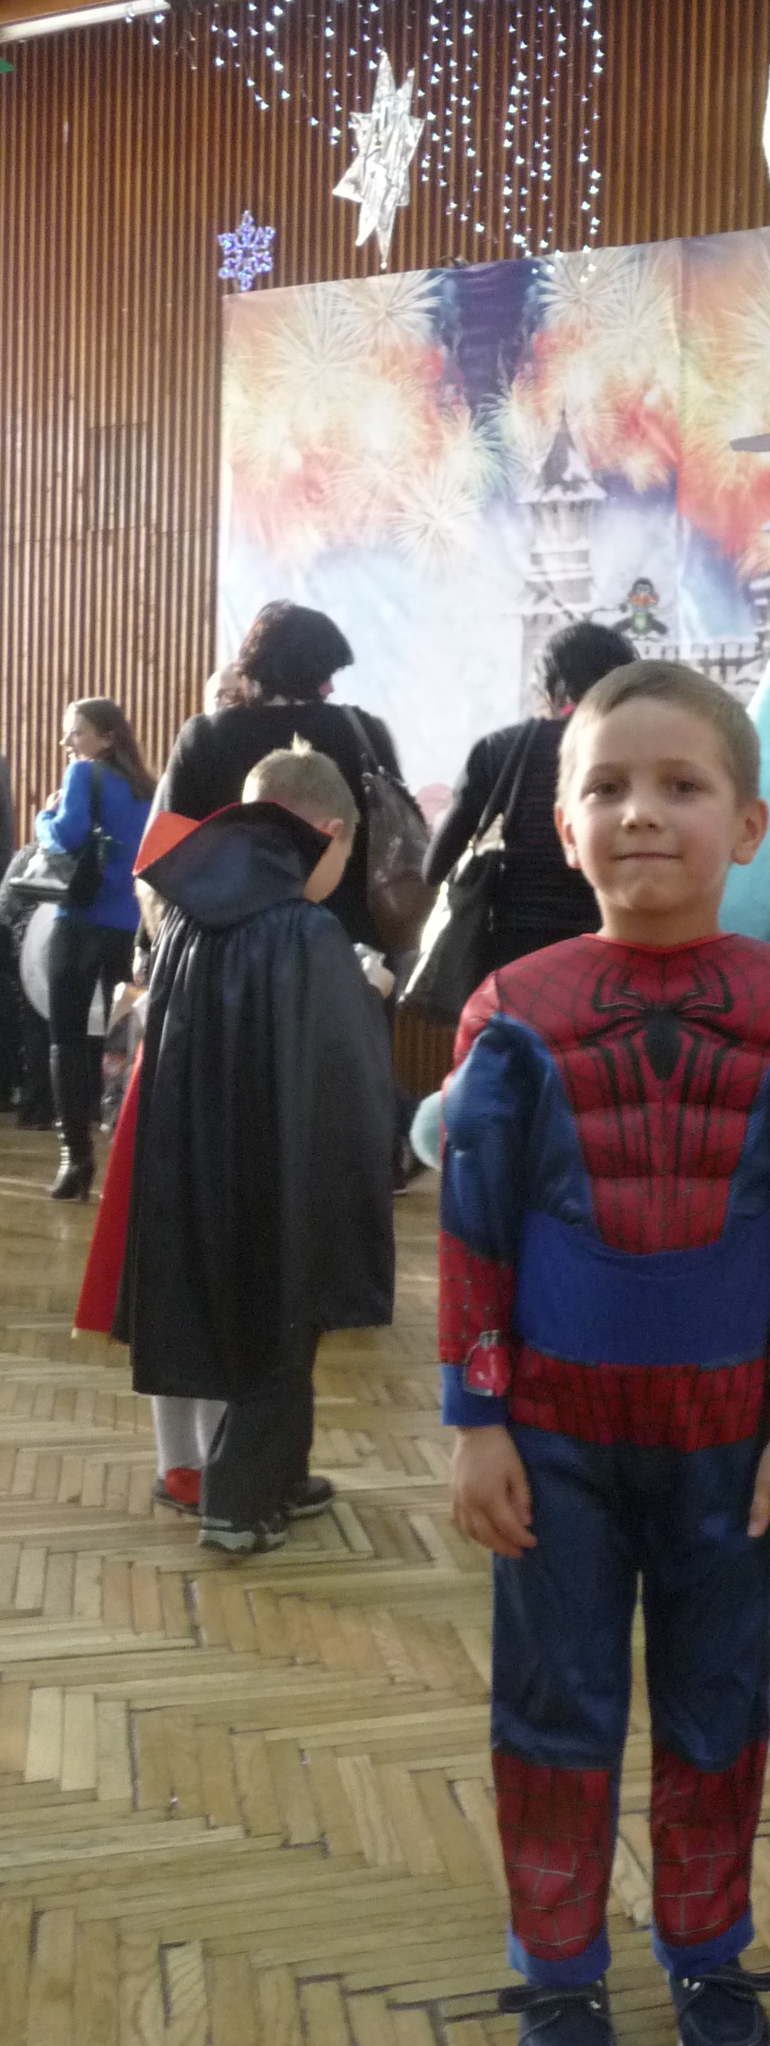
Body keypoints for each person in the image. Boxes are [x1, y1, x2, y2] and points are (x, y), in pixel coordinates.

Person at [438, 660, 770, 2046]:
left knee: (717, 1704)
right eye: (607, 788)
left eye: (681, 786)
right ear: (564, 828)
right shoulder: (513, 1006)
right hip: (553, 1436)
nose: (641, 814)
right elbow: (473, 1229)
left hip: (726, 1440)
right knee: (551, 1708)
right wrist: (475, 1420)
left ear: (746, 823)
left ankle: (705, 1951)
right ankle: (559, 1971)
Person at [116, 744, 395, 1555]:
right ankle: (237, 1502)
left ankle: (280, 1476)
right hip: (283, 1160)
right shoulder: (304, 930)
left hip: (197, 1157)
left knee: (246, 1315)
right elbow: (337, 1071)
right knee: (282, 1319)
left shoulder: (185, 914)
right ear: (329, 834)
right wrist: (368, 994)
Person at [152, 602, 403, 958]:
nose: (331, 687)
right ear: (309, 671)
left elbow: (168, 855)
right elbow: (393, 835)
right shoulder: (362, 733)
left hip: (226, 950)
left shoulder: (204, 738)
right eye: (326, 672)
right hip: (349, 945)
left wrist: (152, 945)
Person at [423, 621, 635, 993]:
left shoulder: (499, 750)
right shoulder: (649, 753)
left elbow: (434, 868)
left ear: (550, 688)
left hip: (515, 966)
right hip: (617, 965)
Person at [34, 700, 154, 1202]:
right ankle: (132, 1165)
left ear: (107, 738)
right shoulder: (149, 788)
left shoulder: (83, 774)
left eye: (76, 733)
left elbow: (66, 835)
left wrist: (44, 815)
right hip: (132, 927)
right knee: (127, 1045)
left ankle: (75, 1160)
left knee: (65, 1039)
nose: (67, 742)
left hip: (81, 922)